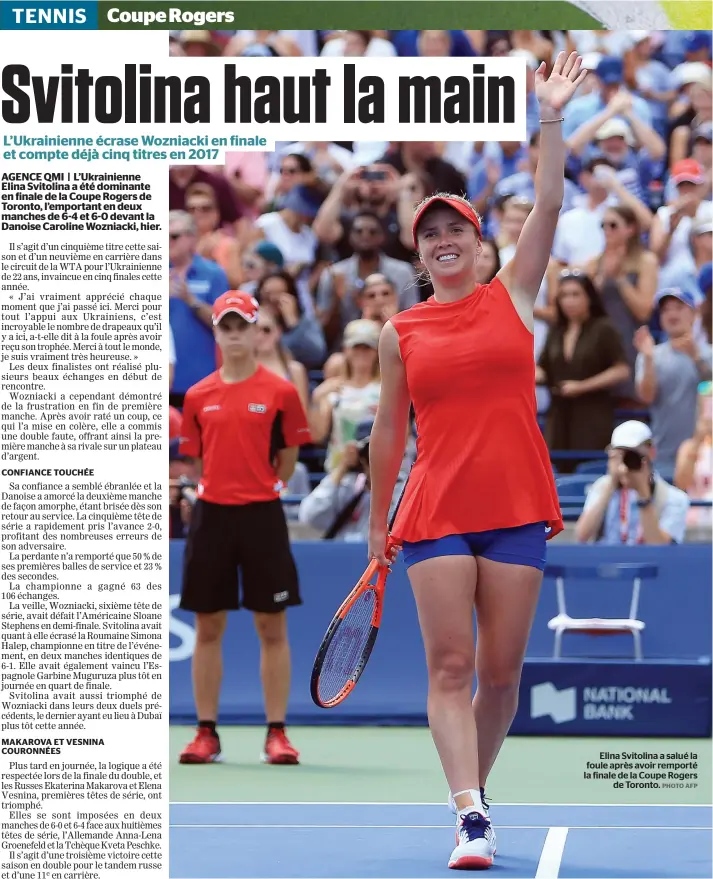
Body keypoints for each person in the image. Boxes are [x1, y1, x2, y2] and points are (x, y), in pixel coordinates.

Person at [367, 52, 584, 870]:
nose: (444, 239)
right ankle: (467, 815)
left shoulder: (513, 297)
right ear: (418, 258)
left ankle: (476, 793)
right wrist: (375, 520)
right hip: (432, 511)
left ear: (480, 242)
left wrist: (551, 116)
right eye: (430, 234)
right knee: (450, 663)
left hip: (517, 502)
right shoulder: (400, 333)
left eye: (456, 227)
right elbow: (387, 435)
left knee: (499, 673)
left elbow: (553, 199)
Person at [177, 291, 312, 766]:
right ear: (216, 332)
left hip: (263, 517)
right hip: (213, 517)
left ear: (257, 331)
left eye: (242, 325)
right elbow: (193, 457)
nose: (234, 333)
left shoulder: (280, 392)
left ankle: (277, 733)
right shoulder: (197, 395)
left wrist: (267, 482)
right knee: (208, 625)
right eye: (226, 325)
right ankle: (206, 733)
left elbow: (290, 453)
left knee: (271, 626)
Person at [536, 270, 629, 471]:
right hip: (559, 417)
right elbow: (544, 369)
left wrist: (583, 386)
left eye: (575, 294)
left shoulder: (603, 328)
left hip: (592, 416)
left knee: (589, 471)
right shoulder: (557, 330)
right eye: (564, 295)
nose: (569, 301)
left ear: (589, 296)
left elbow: (621, 370)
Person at [634, 288, 712, 481]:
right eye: (666, 310)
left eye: (679, 307)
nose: (672, 314)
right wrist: (649, 359)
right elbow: (647, 397)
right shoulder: (651, 355)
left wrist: (696, 358)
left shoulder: (709, 353)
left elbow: (709, 390)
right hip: (664, 456)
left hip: (705, 457)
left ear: (694, 314)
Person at [574, 421, 690, 545]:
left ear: (651, 453)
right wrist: (611, 483)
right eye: (620, 455)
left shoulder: (675, 498)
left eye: (632, 456)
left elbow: (661, 550)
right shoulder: (601, 487)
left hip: (650, 563)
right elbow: (582, 536)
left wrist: (643, 493)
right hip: (606, 561)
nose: (625, 464)